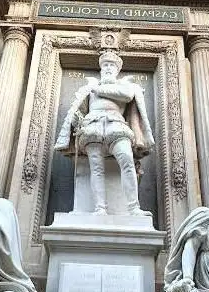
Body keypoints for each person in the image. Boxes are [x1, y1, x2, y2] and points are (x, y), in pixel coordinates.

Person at [55, 50, 154, 216]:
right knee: (96, 168)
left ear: (117, 70)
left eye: (111, 66)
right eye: (105, 65)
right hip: (92, 127)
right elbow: (79, 108)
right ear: (101, 69)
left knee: (128, 162)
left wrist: (98, 90)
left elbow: (127, 96)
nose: (108, 68)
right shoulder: (89, 87)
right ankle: (100, 208)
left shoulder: (124, 86)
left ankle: (133, 208)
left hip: (116, 126)